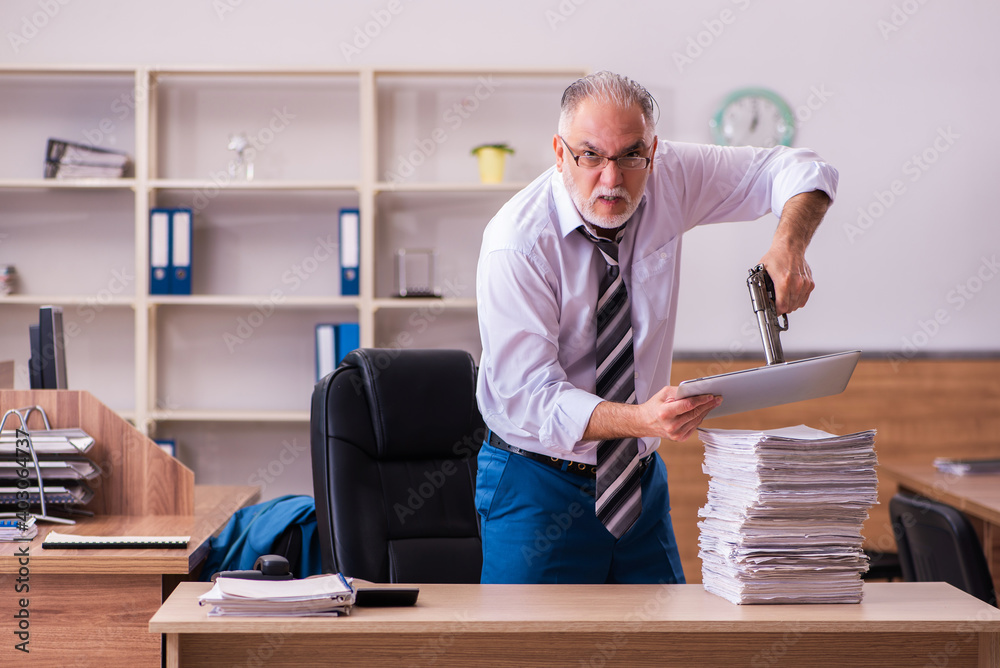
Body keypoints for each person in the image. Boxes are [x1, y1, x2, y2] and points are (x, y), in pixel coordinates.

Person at [474, 71, 837, 584]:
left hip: (637, 485)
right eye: (590, 155)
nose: (612, 178)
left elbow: (802, 168)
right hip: (537, 483)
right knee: (529, 655)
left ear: (653, 151)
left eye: (630, 156)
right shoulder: (517, 244)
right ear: (559, 152)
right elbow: (528, 396)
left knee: (667, 648)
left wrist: (789, 245)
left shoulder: (668, 174)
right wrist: (641, 420)